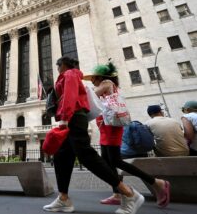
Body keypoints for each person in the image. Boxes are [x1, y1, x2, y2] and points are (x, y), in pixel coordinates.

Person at [43, 56, 144, 214]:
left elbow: (69, 97)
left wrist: (64, 119)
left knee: (87, 156)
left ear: (62, 65)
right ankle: (63, 199)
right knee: (61, 156)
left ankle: (129, 193)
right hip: (72, 117)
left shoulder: (70, 74)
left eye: (58, 66)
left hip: (73, 118)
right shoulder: (71, 76)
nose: (57, 70)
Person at [84, 63, 170, 208]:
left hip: (111, 128)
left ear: (101, 77)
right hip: (104, 128)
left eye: (93, 78)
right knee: (107, 162)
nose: (92, 81)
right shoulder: (104, 85)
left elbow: (91, 97)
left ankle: (157, 183)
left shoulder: (107, 83)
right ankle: (117, 193)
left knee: (116, 161)